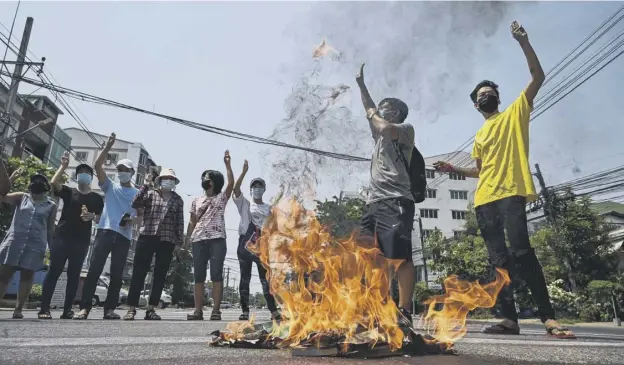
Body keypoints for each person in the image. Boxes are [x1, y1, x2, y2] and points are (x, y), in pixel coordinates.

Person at [433, 21, 575, 339]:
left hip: (511, 194)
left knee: (523, 253)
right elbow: (481, 170)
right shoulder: (480, 134)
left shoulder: (515, 113)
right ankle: (510, 320)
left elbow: (538, 77)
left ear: (498, 98)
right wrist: (454, 171)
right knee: (498, 263)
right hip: (485, 201)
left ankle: (548, 317)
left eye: (492, 93)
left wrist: (523, 42)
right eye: (483, 95)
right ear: (476, 105)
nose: (488, 97)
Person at [355, 63, 416, 328]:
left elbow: (379, 123)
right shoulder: (379, 137)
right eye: (381, 106)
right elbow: (370, 115)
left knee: (400, 257)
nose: (381, 108)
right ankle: (377, 308)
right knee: (371, 257)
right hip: (374, 204)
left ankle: (404, 311)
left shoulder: (404, 130)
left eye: (387, 106)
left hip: (396, 200)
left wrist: (372, 112)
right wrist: (361, 86)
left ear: (398, 113)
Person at [75, 133, 140, 320]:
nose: (122, 172)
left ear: (132, 173)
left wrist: (130, 221)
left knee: (117, 275)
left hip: (124, 236)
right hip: (104, 231)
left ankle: (110, 309)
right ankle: (84, 308)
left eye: (125, 169)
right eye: (119, 169)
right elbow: (97, 166)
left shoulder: (137, 194)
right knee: (94, 270)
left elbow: (140, 220)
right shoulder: (110, 186)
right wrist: (108, 147)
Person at [39, 152, 104, 319]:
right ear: (77, 177)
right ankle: (44, 309)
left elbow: (99, 218)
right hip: (61, 238)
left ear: (91, 178)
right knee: (54, 271)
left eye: (88, 174)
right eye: (81, 173)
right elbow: (53, 183)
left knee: (74, 275)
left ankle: (67, 310)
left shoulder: (97, 198)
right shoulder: (69, 192)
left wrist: (92, 217)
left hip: (81, 242)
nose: (84, 176)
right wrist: (63, 166)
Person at [124, 168, 184, 321]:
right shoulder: (150, 194)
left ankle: (151, 308)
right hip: (147, 235)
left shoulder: (178, 200)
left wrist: (179, 244)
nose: (168, 181)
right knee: (139, 272)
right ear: (160, 180)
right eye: (166, 178)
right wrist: (145, 185)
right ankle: (131, 308)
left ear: (174, 182)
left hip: (167, 239)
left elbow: (179, 223)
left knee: (160, 275)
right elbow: (135, 203)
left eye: (171, 178)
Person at [0, 172, 57, 319]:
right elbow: (2, 197)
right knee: (4, 275)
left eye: (40, 181)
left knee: (27, 276)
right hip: (15, 242)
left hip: (35, 244)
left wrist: (52, 249)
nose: (36, 182)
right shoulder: (21, 197)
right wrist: (11, 179)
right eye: (34, 180)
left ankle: (18, 309)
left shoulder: (51, 205)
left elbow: (50, 229)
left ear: (46, 186)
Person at [186, 150, 234, 321]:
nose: (205, 180)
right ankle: (198, 311)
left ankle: (215, 311)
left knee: (216, 274)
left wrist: (228, 165)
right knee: (198, 275)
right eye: (203, 178)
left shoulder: (221, 198)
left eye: (208, 178)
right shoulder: (196, 200)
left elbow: (231, 184)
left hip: (217, 240)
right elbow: (192, 221)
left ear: (214, 182)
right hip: (198, 240)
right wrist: (187, 239)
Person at [232, 159, 282, 321]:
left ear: (264, 189)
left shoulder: (269, 208)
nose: (257, 189)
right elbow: (236, 189)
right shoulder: (245, 204)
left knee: (266, 280)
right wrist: (244, 172)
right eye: (254, 186)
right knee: (244, 279)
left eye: (260, 187)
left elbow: (275, 229)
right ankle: (245, 311)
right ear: (251, 189)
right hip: (245, 245)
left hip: (263, 247)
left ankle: (274, 311)